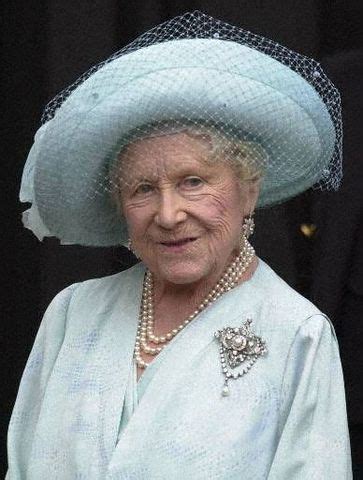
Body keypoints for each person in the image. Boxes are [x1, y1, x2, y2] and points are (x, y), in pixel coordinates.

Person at [6, 11, 352, 479]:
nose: (168, 215)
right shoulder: (72, 313)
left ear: (247, 189)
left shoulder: (299, 335)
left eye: (192, 181)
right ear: (120, 205)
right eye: (143, 189)